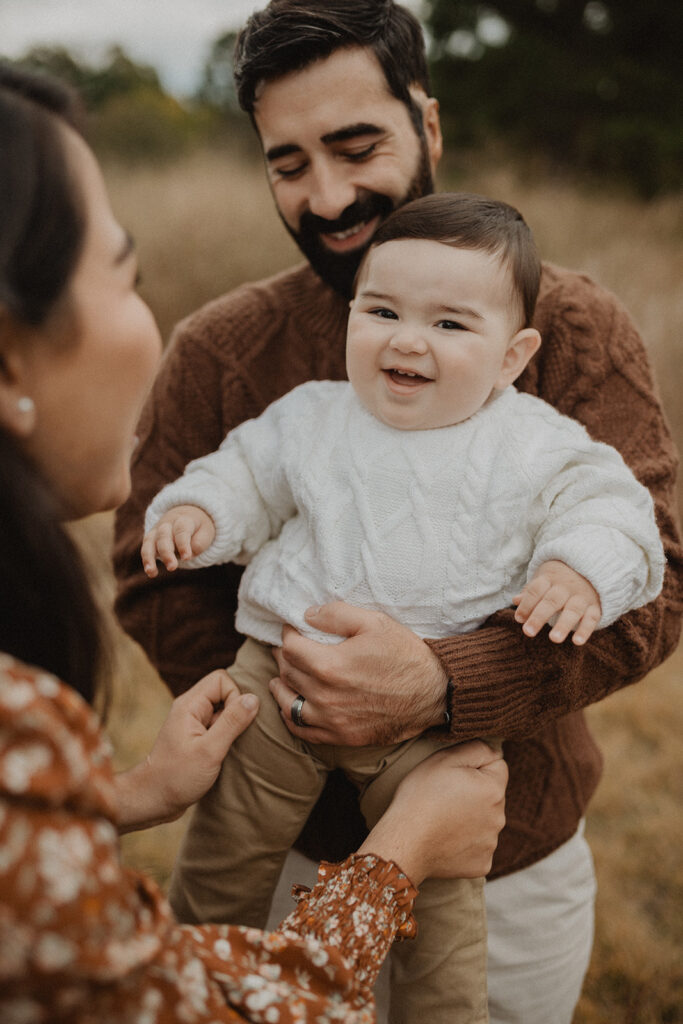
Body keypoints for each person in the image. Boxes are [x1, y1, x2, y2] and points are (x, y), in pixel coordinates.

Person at [112, 2, 683, 1021]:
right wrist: (296, 715)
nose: (326, 195)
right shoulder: (224, 350)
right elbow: (152, 570)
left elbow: (656, 578)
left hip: (495, 846)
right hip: (283, 838)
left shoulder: (571, 327)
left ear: (427, 124)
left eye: (354, 144)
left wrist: (440, 686)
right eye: (288, 164)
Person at [0, 64, 508, 1024]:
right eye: (126, 279)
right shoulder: (18, 715)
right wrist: (395, 851)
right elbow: (188, 1010)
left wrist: (121, 795)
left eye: (358, 147)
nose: (328, 195)